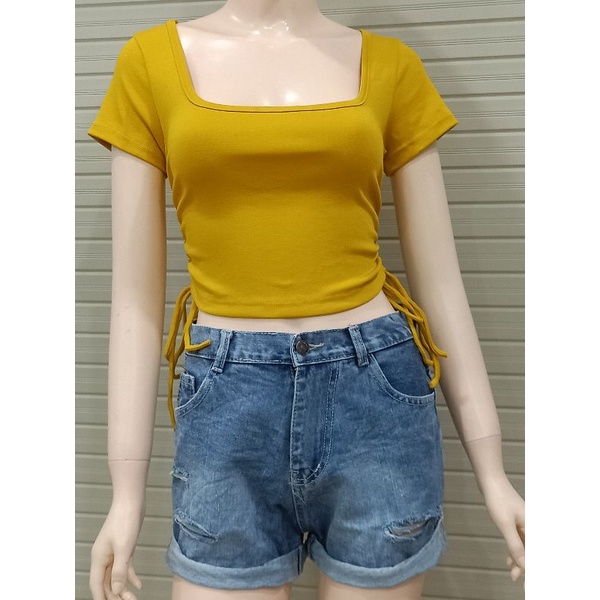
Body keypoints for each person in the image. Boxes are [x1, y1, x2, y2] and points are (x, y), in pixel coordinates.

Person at [87, 1, 525, 599]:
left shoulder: (391, 66)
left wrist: (493, 472)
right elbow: (135, 301)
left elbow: (441, 284)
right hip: (227, 405)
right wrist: (125, 495)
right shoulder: (149, 63)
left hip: (376, 398)